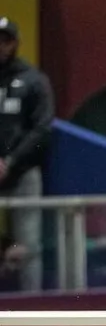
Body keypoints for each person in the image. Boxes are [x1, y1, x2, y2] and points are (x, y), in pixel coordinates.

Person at [0, 17, 55, 291]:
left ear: (14, 43)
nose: (1, 45)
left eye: (5, 40)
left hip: (23, 173)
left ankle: (31, 302)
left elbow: (42, 129)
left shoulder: (33, 80)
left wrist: (10, 161)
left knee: (29, 245)